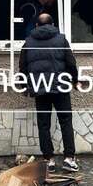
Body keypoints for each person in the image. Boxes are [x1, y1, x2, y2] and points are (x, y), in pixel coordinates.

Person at [18, 13, 79, 173]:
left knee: (44, 124)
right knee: (66, 121)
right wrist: (75, 80)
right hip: (60, 87)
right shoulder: (61, 40)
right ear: (52, 25)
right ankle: (69, 159)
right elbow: (71, 62)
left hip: (40, 88)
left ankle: (49, 160)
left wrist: (24, 86)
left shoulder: (28, 42)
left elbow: (23, 66)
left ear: (36, 25)